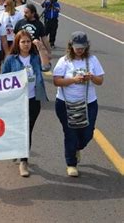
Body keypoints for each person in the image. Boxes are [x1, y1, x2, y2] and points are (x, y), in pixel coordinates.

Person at [53, 31, 104, 177]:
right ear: (71, 46)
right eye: (77, 47)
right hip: (66, 103)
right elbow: (57, 81)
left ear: (87, 46)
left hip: (89, 103)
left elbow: (100, 81)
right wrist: (74, 80)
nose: (80, 50)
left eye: (82, 47)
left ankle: (76, 148)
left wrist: (92, 77)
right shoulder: (64, 61)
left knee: (87, 133)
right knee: (70, 133)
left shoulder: (93, 60)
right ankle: (71, 164)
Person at [2, 31, 47, 177]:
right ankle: (17, 149)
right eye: (23, 42)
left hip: (33, 100)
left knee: (27, 130)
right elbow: (3, 80)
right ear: (17, 43)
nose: (26, 44)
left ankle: (23, 161)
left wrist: (40, 48)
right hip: (16, 101)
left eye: (28, 41)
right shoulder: (11, 60)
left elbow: (46, 67)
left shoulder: (35, 58)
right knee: (18, 129)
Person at [14, 4, 52, 71]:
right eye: (24, 12)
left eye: (27, 12)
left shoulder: (39, 24)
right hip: (21, 51)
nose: (25, 14)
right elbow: (15, 38)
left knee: (35, 70)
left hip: (34, 52)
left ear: (33, 13)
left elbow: (44, 39)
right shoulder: (20, 23)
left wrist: (49, 52)